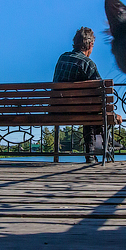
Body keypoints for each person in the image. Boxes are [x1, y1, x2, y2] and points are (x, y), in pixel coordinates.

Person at [52, 27, 120, 162]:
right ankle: (99, 144)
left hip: (57, 110)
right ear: (90, 45)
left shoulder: (62, 58)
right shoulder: (88, 64)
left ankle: (97, 147)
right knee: (92, 109)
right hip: (82, 111)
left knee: (89, 109)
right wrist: (113, 114)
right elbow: (101, 94)